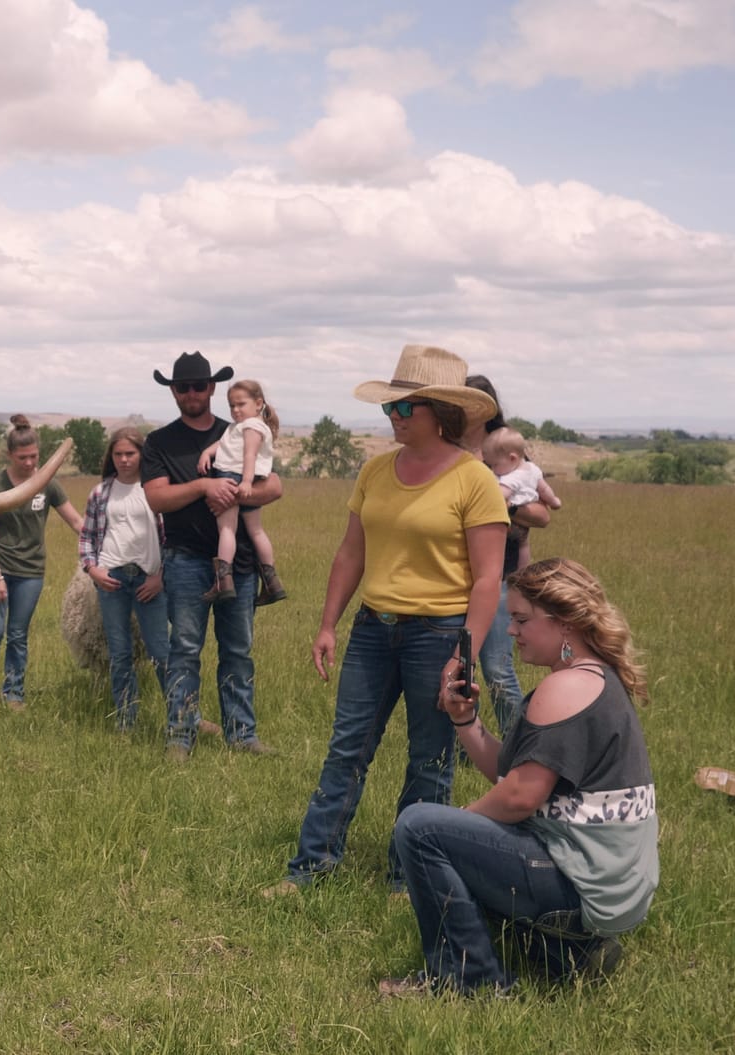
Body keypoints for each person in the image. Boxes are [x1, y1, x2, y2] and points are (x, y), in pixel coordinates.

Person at [280, 345, 506, 894]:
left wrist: (465, 652)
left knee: (430, 761)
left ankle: (409, 878)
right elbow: (350, 553)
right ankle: (310, 868)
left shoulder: (475, 481)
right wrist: (329, 623)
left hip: (440, 635)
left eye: (406, 408)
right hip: (372, 630)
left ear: (442, 413)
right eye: (390, 409)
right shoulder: (376, 470)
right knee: (346, 749)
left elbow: (487, 579)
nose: (394, 418)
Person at [378, 557, 658, 997]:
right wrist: (466, 721)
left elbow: (519, 797)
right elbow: (511, 775)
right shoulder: (596, 679)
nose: (511, 632)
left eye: (522, 619)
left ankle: (471, 982)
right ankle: (568, 954)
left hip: (579, 888)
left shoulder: (564, 689)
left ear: (564, 622)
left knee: (418, 826)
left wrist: (452, 829)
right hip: (607, 889)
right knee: (450, 838)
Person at [142, 352, 284, 760]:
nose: (191, 393)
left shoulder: (238, 430)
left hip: (238, 562)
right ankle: (180, 736)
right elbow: (156, 497)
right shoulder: (160, 442)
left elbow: (274, 486)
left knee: (238, 651)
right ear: (173, 391)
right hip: (185, 559)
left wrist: (241, 494)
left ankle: (242, 735)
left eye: (199, 386)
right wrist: (204, 488)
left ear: (212, 388)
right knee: (185, 649)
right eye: (183, 386)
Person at [462, 375, 555, 734]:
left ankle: (520, 746)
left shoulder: (505, 448)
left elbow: (542, 514)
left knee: (498, 669)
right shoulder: (447, 448)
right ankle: (461, 746)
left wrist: (499, 505)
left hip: (501, 574)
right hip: (456, 575)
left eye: (473, 403)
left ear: (489, 408)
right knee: (458, 668)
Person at [0, 414, 84, 712]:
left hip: (30, 573)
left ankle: (14, 694)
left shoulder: (48, 484)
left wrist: (104, 539)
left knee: (18, 635)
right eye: (23, 457)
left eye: (34, 456)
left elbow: (75, 520)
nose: (30, 463)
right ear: (9, 455)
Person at [77, 427, 170, 731]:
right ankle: (126, 720)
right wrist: (93, 570)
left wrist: (160, 577)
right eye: (118, 454)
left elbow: (172, 538)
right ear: (111, 457)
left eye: (130, 453)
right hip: (112, 579)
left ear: (142, 454)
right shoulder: (101, 493)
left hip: (149, 582)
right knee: (120, 653)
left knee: (161, 652)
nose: (124, 460)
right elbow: (87, 538)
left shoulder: (156, 489)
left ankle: (180, 718)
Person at [198, 380, 288, 605]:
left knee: (227, 528)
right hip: (245, 477)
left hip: (232, 476)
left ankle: (223, 581)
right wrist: (207, 453)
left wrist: (246, 482)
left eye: (241, 404)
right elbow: (226, 444)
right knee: (256, 530)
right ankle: (271, 582)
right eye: (231, 405)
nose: (235, 410)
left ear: (258, 403)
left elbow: (250, 455)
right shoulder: (245, 425)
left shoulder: (251, 427)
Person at [481, 427, 562, 512]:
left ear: (512, 458)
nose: (493, 469)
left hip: (509, 515)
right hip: (528, 513)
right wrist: (554, 501)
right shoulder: (533, 469)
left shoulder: (510, 478)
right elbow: (544, 489)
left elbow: (499, 495)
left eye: (495, 465)